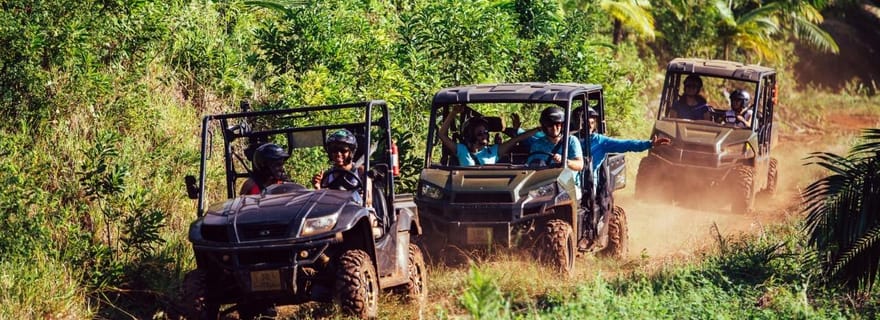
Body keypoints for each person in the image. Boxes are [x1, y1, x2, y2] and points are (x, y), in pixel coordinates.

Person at [581, 107, 671, 177]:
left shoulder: (600, 141)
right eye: (586, 122)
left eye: (592, 123)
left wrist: (649, 144)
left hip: (589, 184)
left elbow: (627, 144)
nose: (589, 126)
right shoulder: (572, 139)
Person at [439, 105, 540, 166]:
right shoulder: (461, 150)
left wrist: (539, 129)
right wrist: (453, 113)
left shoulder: (494, 151)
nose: (484, 136)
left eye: (486, 132)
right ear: (470, 135)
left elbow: (517, 138)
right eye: (480, 133)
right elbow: (442, 135)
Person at [526, 106, 584, 171]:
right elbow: (529, 167)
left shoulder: (571, 140)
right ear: (544, 126)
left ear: (562, 125)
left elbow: (580, 165)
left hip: (567, 180)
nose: (554, 128)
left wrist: (565, 161)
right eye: (550, 124)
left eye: (557, 124)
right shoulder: (537, 144)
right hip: (543, 179)